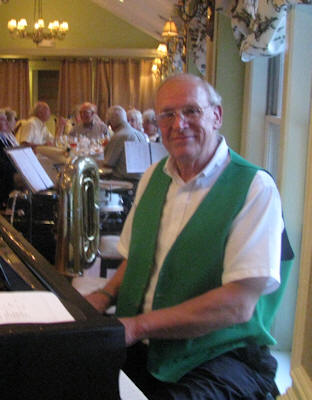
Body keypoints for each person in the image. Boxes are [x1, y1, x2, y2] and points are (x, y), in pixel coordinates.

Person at [86, 74, 294, 399]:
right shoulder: (155, 176)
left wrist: (138, 326)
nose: (178, 124)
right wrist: (105, 294)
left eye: (191, 111)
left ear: (216, 116)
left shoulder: (254, 188)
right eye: (167, 115)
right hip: (145, 343)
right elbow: (136, 259)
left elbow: (238, 306)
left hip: (220, 354)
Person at [103, 105, 146, 182]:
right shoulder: (140, 134)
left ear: (111, 122)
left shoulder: (119, 136)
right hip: (141, 179)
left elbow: (108, 163)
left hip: (124, 180)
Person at [0, 110, 18, 210]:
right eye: (2, 120)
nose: (6, 122)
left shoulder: (5, 138)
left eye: (6, 120)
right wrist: (16, 166)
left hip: (8, 176)